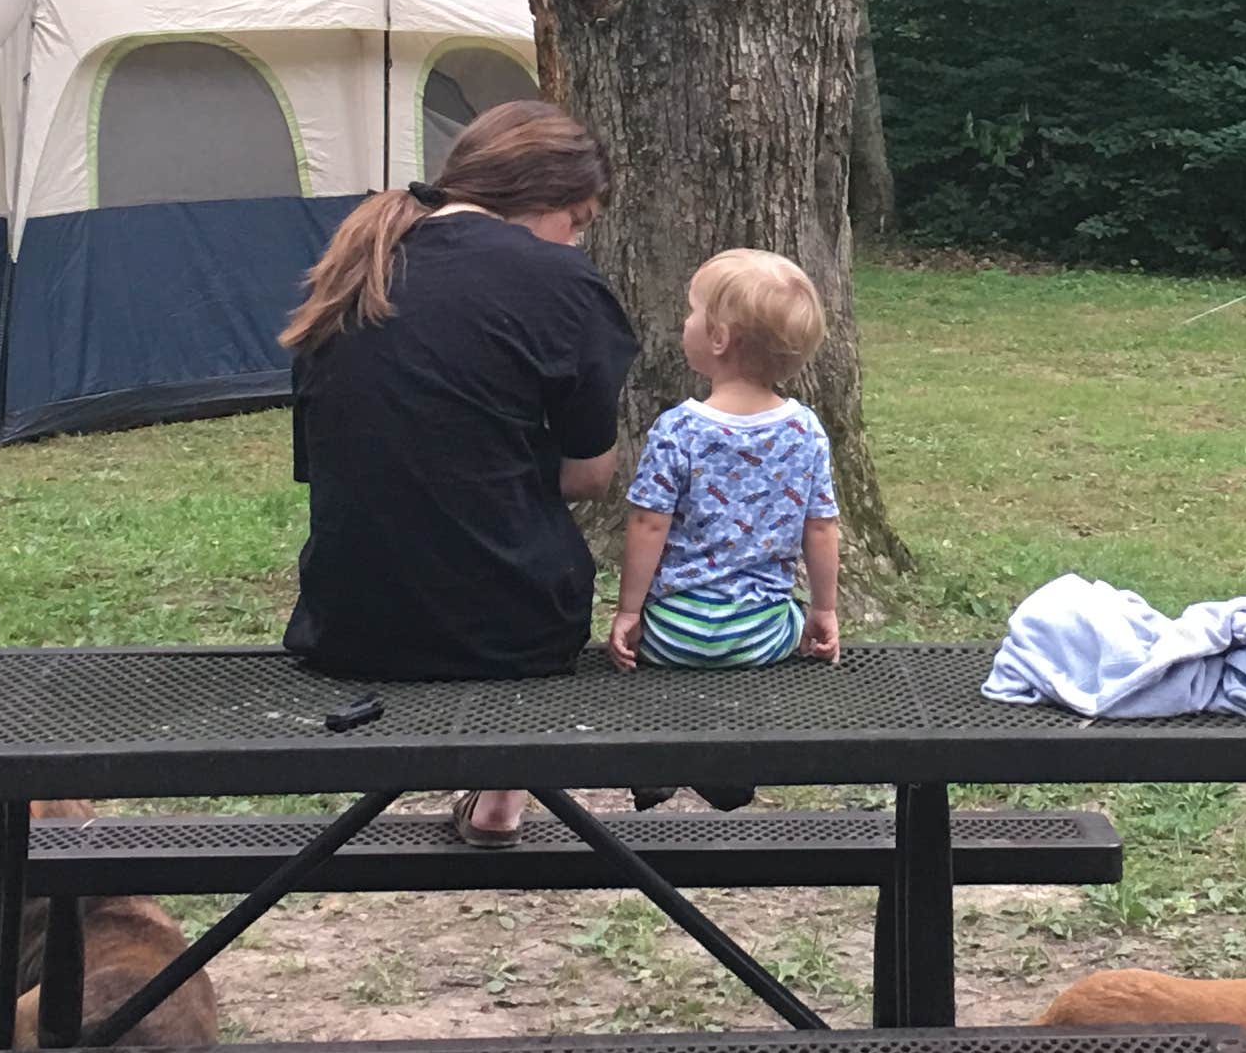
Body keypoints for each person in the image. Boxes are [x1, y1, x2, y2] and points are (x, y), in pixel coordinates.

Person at [281, 101, 633, 846]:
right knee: (504, 547)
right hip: (513, 635)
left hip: (348, 626)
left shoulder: (351, 270)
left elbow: (341, 466)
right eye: (578, 220)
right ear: (545, 199)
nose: (577, 239)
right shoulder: (562, 280)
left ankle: (498, 790)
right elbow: (588, 476)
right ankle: (503, 788)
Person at [609, 248, 842, 674]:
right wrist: (824, 609)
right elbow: (821, 526)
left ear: (718, 338)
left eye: (692, 311)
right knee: (792, 615)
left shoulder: (677, 429)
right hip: (764, 632)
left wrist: (628, 611)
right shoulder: (805, 430)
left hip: (672, 631)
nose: (685, 321)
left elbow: (648, 523)